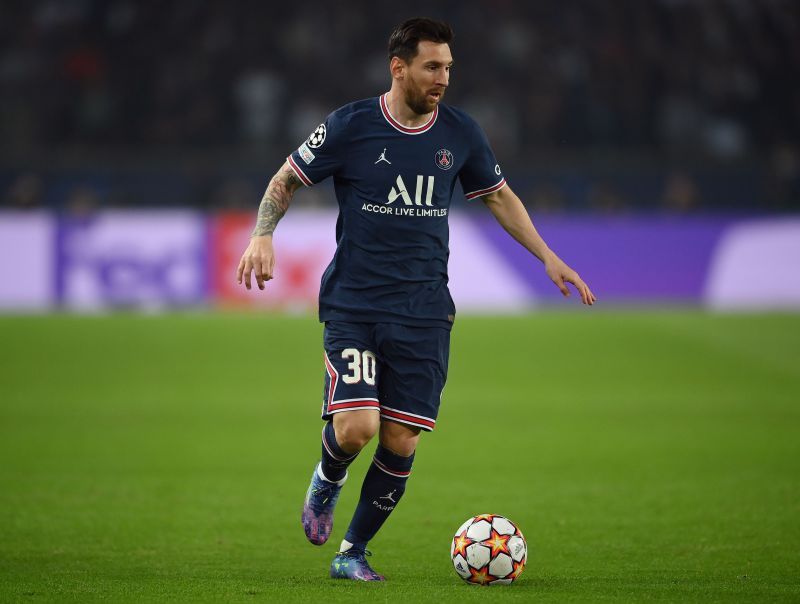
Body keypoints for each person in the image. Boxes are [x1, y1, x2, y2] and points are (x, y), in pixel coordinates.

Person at [236, 17, 596, 582]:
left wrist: (546, 255)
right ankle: (327, 479)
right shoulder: (351, 126)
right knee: (357, 428)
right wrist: (263, 233)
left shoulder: (460, 132)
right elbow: (285, 179)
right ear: (398, 67)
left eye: (449, 67)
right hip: (355, 304)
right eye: (433, 66)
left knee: (401, 439)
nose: (444, 78)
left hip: (424, 311)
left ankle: (351, 553)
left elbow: (498, 196)